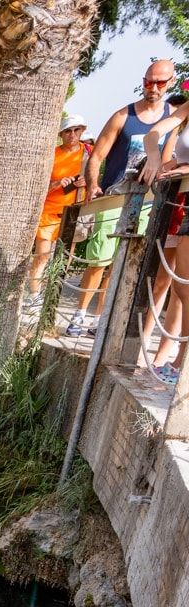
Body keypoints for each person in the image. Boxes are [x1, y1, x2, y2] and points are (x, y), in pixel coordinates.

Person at [63, 58, 178, 336]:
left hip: (148, 201)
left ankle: (101, 319)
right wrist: (93, 185)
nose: (152, 87)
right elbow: (97, 155)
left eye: (159, 83)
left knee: (123, 263)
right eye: (148, 81)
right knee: (99, 259)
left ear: (170, 83)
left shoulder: (173, 118)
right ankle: (80, 315)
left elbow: (165, 161)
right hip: (115, 196)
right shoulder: (123, 116)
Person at [131, 89, 189, 379]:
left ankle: (180, 364)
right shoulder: (186, 109)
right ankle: (173, 360)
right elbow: (153, 134)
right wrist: (154, 157)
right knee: (180, 286)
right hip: (185, 203)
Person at [28, 118, 88, 299]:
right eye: (68, 131)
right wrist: (57, 183)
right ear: (61, 134)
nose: (72, 134)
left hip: (73, 212)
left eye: (76, 130)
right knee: (42, 256)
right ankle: (34, 296)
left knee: (65, 260)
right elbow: (36, 186)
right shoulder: (51, 154)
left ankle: (51, 295)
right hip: (49, 212)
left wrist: (88, 182)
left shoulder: (88, 153)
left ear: (82, 131)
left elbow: (97, 180)